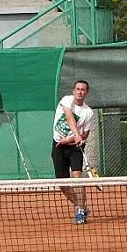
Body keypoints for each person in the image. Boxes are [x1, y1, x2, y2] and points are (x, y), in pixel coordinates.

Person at [51, 80, 96, 224]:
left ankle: (80, 212)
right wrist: (74, 135)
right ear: (73, 91)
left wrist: (73, 138)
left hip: (75, 148)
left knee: (77, 177)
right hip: (58, 145)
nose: (80, 92)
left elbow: (85, 135)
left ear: (86, 93)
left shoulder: (88, 112)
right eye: (77, 89)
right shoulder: (66, 100)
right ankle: (81, 205)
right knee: (63, 186)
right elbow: (70, 118)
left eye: (83, 90)